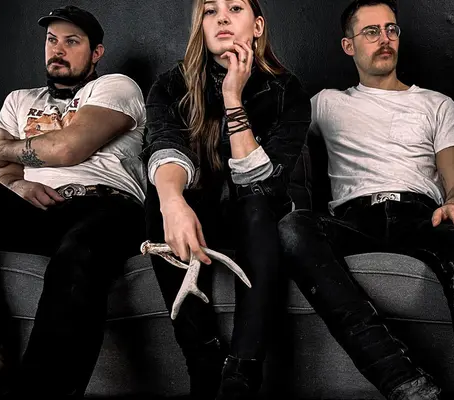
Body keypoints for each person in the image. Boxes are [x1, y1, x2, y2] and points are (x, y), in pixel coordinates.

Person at [277, 1, 454, 399]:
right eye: (371, 32)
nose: (385, 39)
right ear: (348, 46)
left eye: (391, 30)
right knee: (293, 227)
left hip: (421, 215)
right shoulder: (327, 103)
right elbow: (277, 129)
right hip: (353, 219)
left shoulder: (436, 104)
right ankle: (405, 382)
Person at [0, 5, 147, 399]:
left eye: (72, 41)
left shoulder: (116, 87)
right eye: (52, 40)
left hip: (107, 207)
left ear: (96, 52)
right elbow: (6, 173)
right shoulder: (19, 100)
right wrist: (16, 186)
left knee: (79, 251)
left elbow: (69, 147)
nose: (58, 49)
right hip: (38, 211)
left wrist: (7, 148)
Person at [140, 0, 311, 398]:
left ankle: (242, 373)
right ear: (200, 25)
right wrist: (172, 202)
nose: (221, 18)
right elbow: (165, 148)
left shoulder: (287, 91)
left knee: (256, 203)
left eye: (235, 8)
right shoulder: (170, 86)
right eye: (210, 10)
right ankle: (202, 359)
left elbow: (261, 181)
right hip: (197, 219)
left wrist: (233, 96)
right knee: (160, 195)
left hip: (258, 220)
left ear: (257, 26)